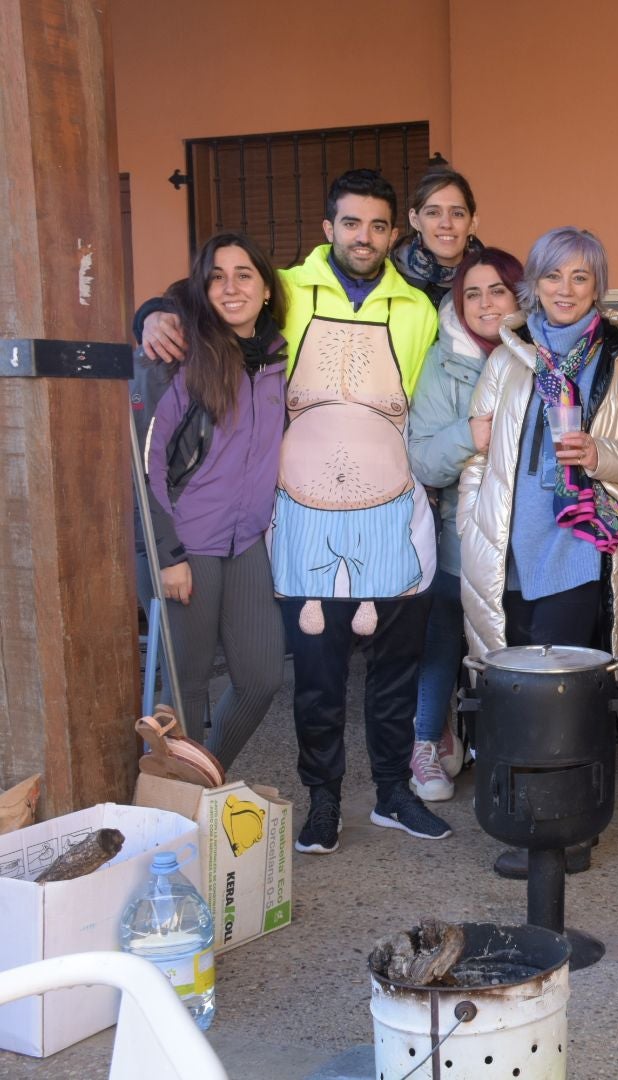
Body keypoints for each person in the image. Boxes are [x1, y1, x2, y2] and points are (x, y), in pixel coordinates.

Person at [138, 169, 450, 856]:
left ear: (393, 234)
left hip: (390, 513)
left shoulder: (420, 310)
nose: (362, 237)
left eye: (376, 226)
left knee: (395, 671)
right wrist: (151, 315)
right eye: (350, 223)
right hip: (299, 517)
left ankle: (394, 794)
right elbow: (207, 298)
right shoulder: (285, 290)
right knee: (315, 672)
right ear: (327, 228)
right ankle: (324, 800)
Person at [458, 227, 618, 876]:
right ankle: (528, 818)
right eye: (553, 277)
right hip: (509, 550)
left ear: (598, 285)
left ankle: (570, 829)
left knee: (568, 697)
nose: (565, 290)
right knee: (514, 691)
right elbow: (478, 459)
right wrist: (473, 530)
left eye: (580, 277)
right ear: (535, 285)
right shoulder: (508, 356)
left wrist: (603, 454)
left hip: (579, 544)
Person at [141, 232, 287, 769]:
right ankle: (168, 808)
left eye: (244, 274)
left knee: (262, 676)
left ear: (266, 288)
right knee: (186, 686)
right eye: (216, 277)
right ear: (202, 291)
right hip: (187, 545)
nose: (231, 287)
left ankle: (201, 776)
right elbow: (145, 465)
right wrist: (168, 555)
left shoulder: (275, 357)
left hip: (247, 542)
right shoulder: (177, 358)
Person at [404, 246, 524, 801]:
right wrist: (470, 436)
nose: (485, 304)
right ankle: (427, 740)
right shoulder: (442, 360)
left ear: (519, 294)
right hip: (462, 528)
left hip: (532, 536)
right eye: (471, 293)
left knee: (517, 650)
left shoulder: (546, 353)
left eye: (496, 290)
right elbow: (424, 457)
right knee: (442, 637)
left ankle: (510, 751)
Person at [391, 166, 483, 306]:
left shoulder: (496, 280)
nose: (446, 224)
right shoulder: (387, 279)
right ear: (415, 220)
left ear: (473, 223)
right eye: (433, 213)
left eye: (457, 213)